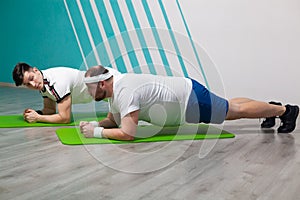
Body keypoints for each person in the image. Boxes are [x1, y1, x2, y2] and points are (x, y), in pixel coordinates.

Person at [79, 65, 299, 140]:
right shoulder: (116, 86)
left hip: (188, 101)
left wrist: (96, 134)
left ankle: (285, 111)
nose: (88, 93)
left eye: (90, 88)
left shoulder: (124, 89)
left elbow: (127, 133)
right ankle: (272, 108)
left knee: (233, 110)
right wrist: (96, 125)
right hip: (187, 94)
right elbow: (113, 120)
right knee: (230, 106)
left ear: (102, 84)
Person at [12, 62, 120, 123]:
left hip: (108, 81)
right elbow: (50, 110)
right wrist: (35, 113)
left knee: (131, 114)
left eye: (32, 78)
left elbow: (65, 118)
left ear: (35, 70)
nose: (33, 84)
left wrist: (38, 118)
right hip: (99, 90)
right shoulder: (43, 83)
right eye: (28, 84)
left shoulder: (55, 83)